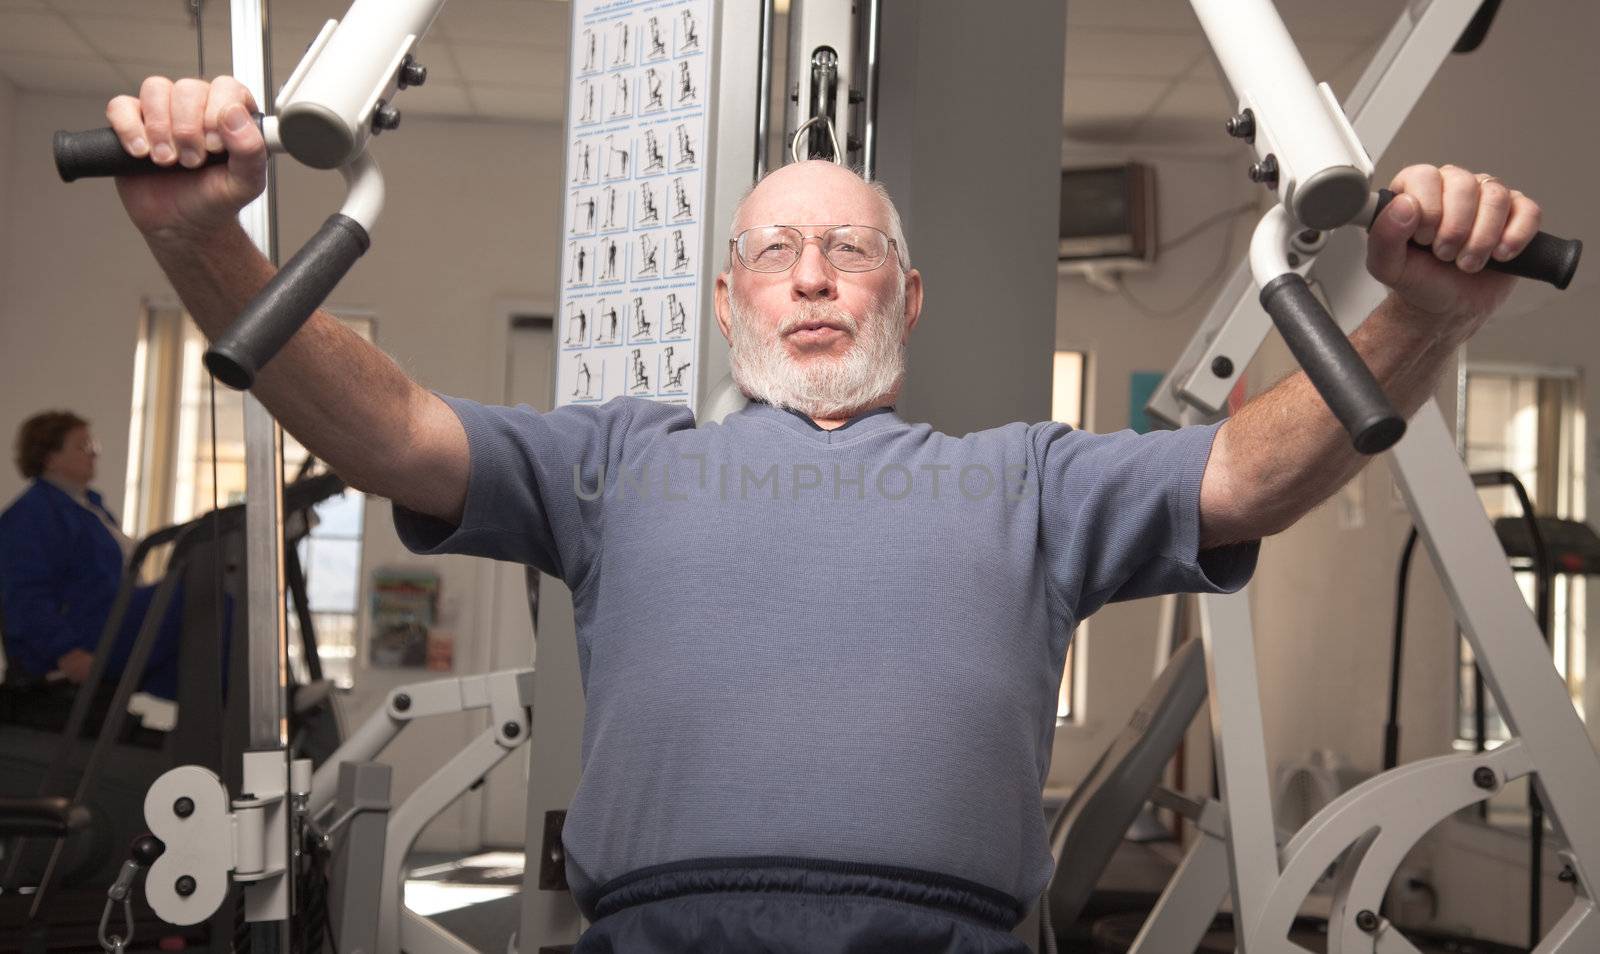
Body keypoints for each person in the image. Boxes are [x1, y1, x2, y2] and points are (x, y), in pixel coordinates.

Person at [102, 76, 1543, 952]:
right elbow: (384, 424)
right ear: (726, 296)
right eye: (775, 252)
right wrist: (202, 239)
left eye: (849, 250)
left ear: (904, 298)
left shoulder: (1024, 479)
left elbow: (1256, 470)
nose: (809, 276)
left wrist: (1422, 314)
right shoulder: (620, 462)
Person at [0, 412, 181, 702]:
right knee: (182, 595)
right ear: (50, 458)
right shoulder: (31, 515)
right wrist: (66, 652)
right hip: (82, 638)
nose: (94, 453)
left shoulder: (91, 509)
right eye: (83, 446)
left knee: (208, 658)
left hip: (107, 625)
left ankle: (254, 728)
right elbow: (24, 596)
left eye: (93, 444)